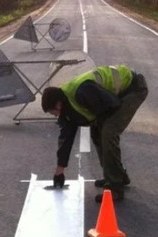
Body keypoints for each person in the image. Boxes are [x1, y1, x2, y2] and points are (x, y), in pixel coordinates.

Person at [41, 64, 148, 202]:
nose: (54, 116)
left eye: (52, 112)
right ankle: (119, 176)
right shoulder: (66, 107)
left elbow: (112, 104)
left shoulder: (82, 92)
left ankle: (114, 188)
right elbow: (66, 139)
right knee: (98, 133)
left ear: (58, 105)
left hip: (133, 88)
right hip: (112, 100)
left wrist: (101, 127)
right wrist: (59, 172)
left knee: (108, 134)